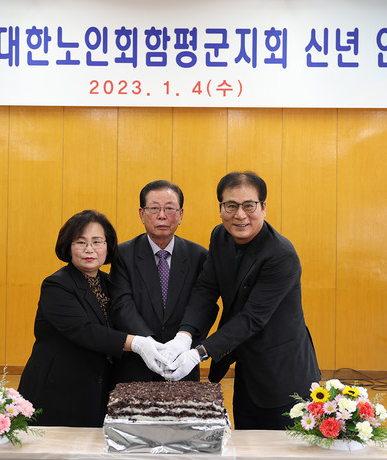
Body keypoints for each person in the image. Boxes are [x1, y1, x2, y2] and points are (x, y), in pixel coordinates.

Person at [161, 171, 321, 430]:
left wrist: (198, 353)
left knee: (282, 447)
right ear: (221, 209)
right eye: (231, 206)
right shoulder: (220, 237)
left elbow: (252, 318)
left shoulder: (281, 255)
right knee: (246, 441)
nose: (240, 215)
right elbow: (205, 289)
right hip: (247, 368)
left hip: (283, 373)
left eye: (249, 205)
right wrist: (184, 335)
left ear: (263, 207)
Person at [17, 210, 168, 427]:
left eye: (97, 242)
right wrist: (137, 343)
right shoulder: (56, 285)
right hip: (58, 390)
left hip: (97, 391)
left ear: (108, 246)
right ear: (68, 247)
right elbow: (84, 330)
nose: (90, 249)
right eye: (81, 242)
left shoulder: (110, 283)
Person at [110, 180, 216, 382]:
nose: (162, 215)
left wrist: (184, 340)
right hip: (135, 366)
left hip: (181, 364)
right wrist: (148, 344)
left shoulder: (199, 256)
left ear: (181, 214)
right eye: (154, 208)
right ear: (141, 214)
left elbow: (204, 306)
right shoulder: (123, 255)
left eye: (169, 208)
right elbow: (122, 305)